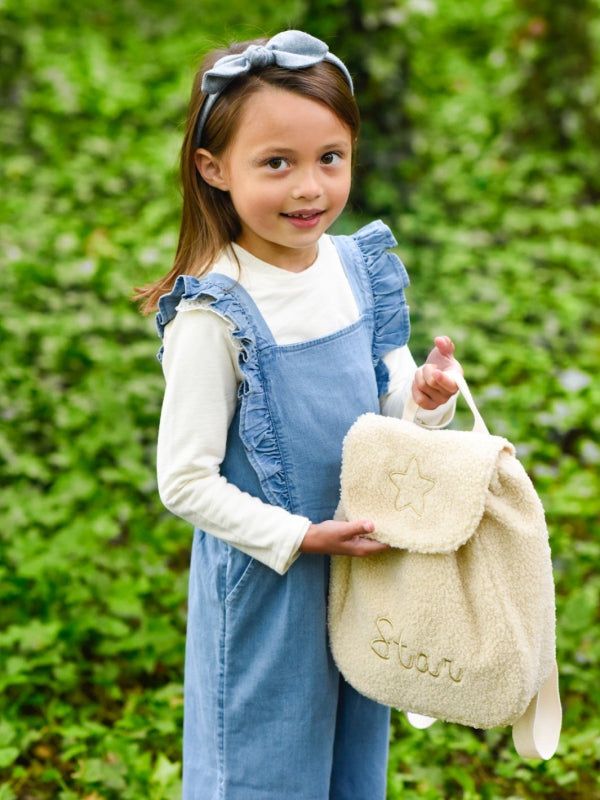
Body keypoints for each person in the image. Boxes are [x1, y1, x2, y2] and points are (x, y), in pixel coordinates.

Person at [137, 29, 462, 800]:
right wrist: (300, 535)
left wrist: (423, 404)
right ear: (213, 170)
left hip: (360, 574)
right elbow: (184, 481)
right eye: (276, 163)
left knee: (351, 761)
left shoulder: (355, 270)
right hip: (269, 584)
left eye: (330, 158)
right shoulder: (215, 313)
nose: (309, 188)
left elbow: (385, 411)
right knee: (262, 770)